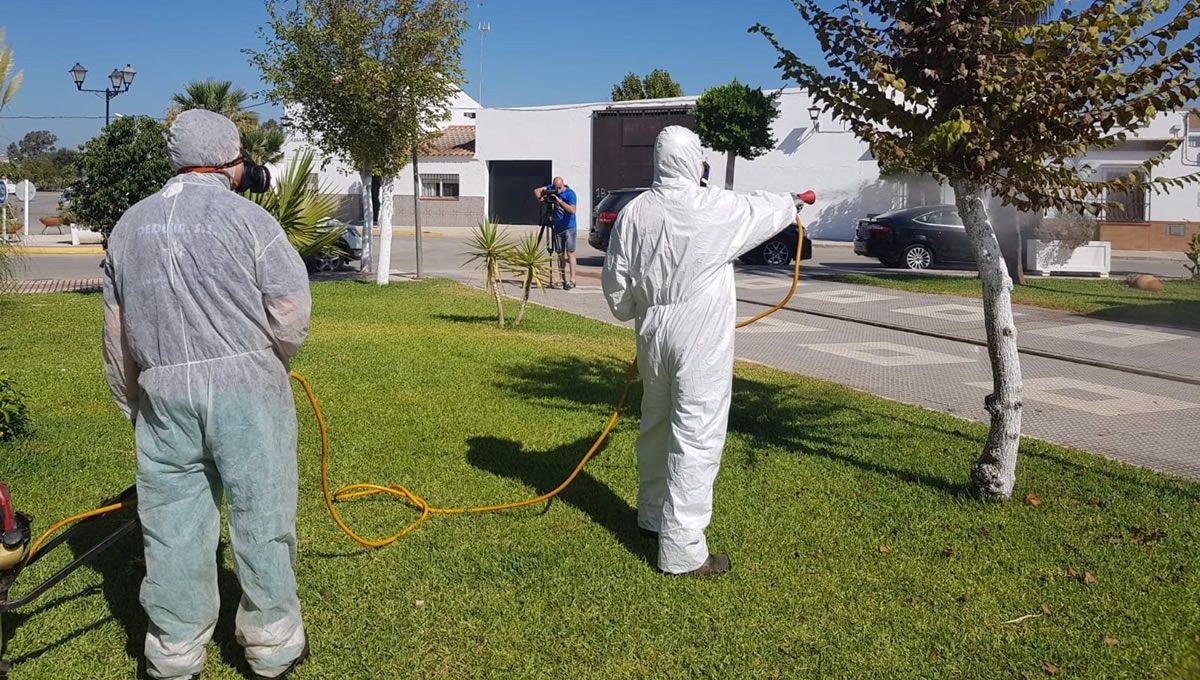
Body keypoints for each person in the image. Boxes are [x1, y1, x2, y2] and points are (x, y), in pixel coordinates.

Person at [101, 109, 311, 679]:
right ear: (230, 158)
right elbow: (290, 313)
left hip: (163, 393)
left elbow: (116, 334)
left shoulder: (129, 226)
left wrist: (134, 404)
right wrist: (267, 362)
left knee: (170, 523)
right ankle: (271, 646)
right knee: (260, 514)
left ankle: (173, 653)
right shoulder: (250, 221)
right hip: (248, 390)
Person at [601, 126, 807, 577]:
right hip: (699, 335)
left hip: (652, 330)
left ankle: (652, 516)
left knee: (656, 422)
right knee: (696, 434)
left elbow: (616, 286)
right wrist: (793, 201)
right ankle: (683, 550)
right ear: (695, 161)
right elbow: (762, 209)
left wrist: (639, 311)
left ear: (657, 161)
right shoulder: (714, 206)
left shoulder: (636, 212)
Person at [533, 176, 578, 289]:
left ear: (563, 185)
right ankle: (563, 279)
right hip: (557, 227)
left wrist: (560, 201)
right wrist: (542, 198)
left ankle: (572, 280)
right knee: (560, 253)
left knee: (570, 253)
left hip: (569, 227)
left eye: (559, 188)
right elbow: (536, 190)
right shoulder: (552, 189)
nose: (556, 190)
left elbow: (572, 210)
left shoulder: (570, 194)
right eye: (555, 187)